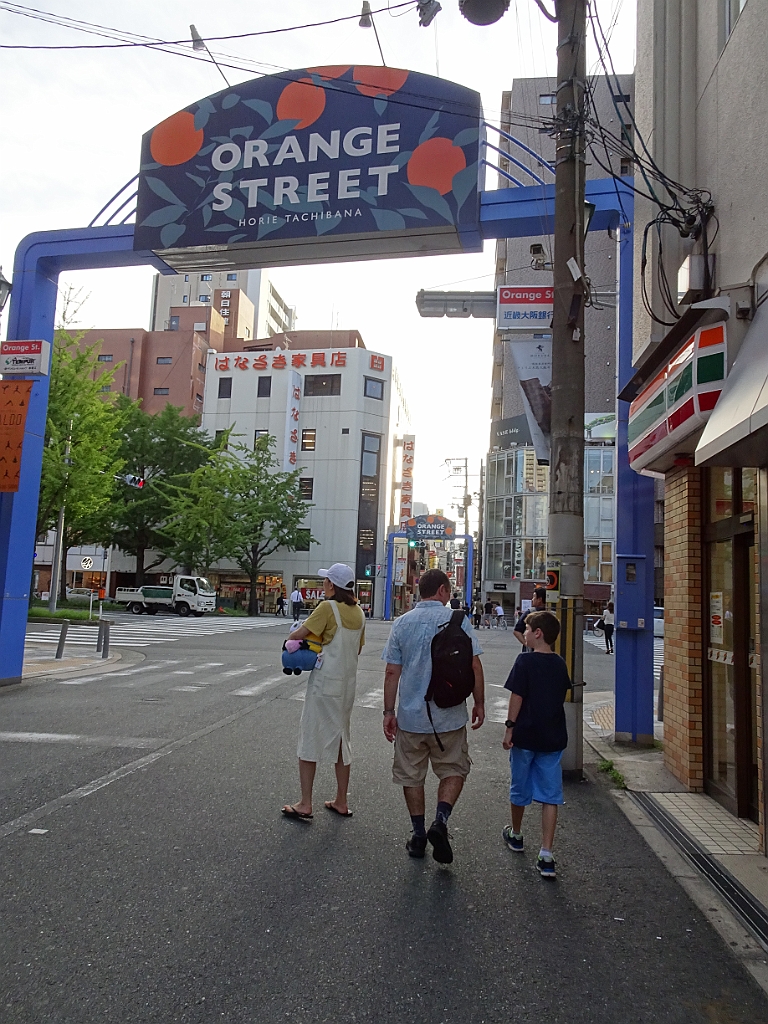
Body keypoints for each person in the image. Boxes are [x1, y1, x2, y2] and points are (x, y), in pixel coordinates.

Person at [382, 569, 485, 864]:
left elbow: (392, 672)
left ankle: (418, 835)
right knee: (453, 769)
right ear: (441, 590)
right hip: (449, 716)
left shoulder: (402, 623)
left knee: (411, 774)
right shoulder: (459, 620)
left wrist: (389, 712)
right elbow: (475, 666)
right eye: (448, 590)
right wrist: (479, 703)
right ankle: (440, 820)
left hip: (411, 717)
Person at [281, 564, 365, 822]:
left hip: (325, 683)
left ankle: (305, 803)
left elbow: (297, 634)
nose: (323, 584)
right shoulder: (359, 613)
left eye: (326, 580)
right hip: (347, 686)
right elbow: (358, 649)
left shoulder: (327, 608)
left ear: (332, 585)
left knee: (310, 737)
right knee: (341, 739)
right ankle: (341, 800)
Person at [501, 610, 570, 879]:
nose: (525, 634)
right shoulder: (560, 664)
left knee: (520, 785)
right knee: (551, 794)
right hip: (552, 736)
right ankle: (546, 853)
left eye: (528, 630)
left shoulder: (525, 661)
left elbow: (517, 697)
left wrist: (509, 727)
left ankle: (516, 834)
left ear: (538, 633)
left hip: (526, 735)